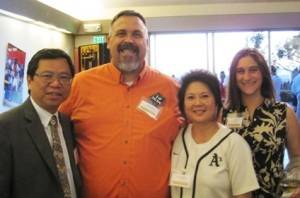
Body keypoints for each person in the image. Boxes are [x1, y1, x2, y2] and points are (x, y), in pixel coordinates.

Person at [59, 10, 180, 197]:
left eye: (137, 34)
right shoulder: (80, 85)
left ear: (147, 43)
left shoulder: (171, 89)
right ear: (108, 41)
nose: (129, 40)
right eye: (121, 33)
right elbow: (54, 131)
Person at [0, 49, 82, 198]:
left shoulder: (66, 123)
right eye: (47, 76)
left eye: (64, 77)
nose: (56, 84)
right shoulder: (5, 127)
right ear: (29, 80)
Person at [222, 48, 300, 197]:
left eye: (253, 70)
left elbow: (297, 159)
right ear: (234, 76)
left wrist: (296, 184)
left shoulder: (284, 113)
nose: (247, 76)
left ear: (263, 73)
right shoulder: (223, 115)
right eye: (240, 71)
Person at [170, 70, 259, 198]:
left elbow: (243, 195)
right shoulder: (178, 136)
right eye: (190, 97)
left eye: (205, 96)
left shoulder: (234, 144)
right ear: (183, 104)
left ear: (217, 101)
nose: (198, 103)